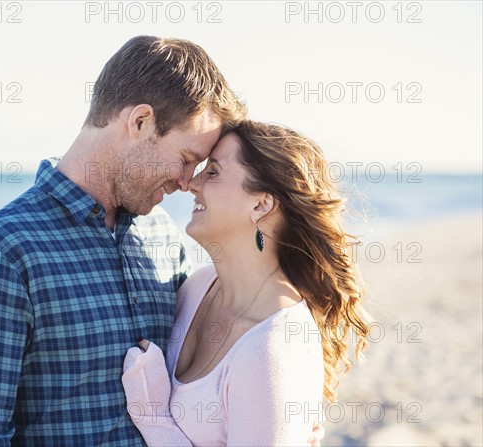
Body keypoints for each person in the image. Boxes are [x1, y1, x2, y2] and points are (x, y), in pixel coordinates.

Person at [0, 35, 247, 446]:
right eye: (187, 159)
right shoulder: (4, 251)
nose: (186, 182)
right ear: (140, 122)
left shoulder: (162, 238)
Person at [122, 120, 371, 446]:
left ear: (261, 204)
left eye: (212, 172)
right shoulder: (197, 287)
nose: (191, 184)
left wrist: (154, 419)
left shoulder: (273, 346)